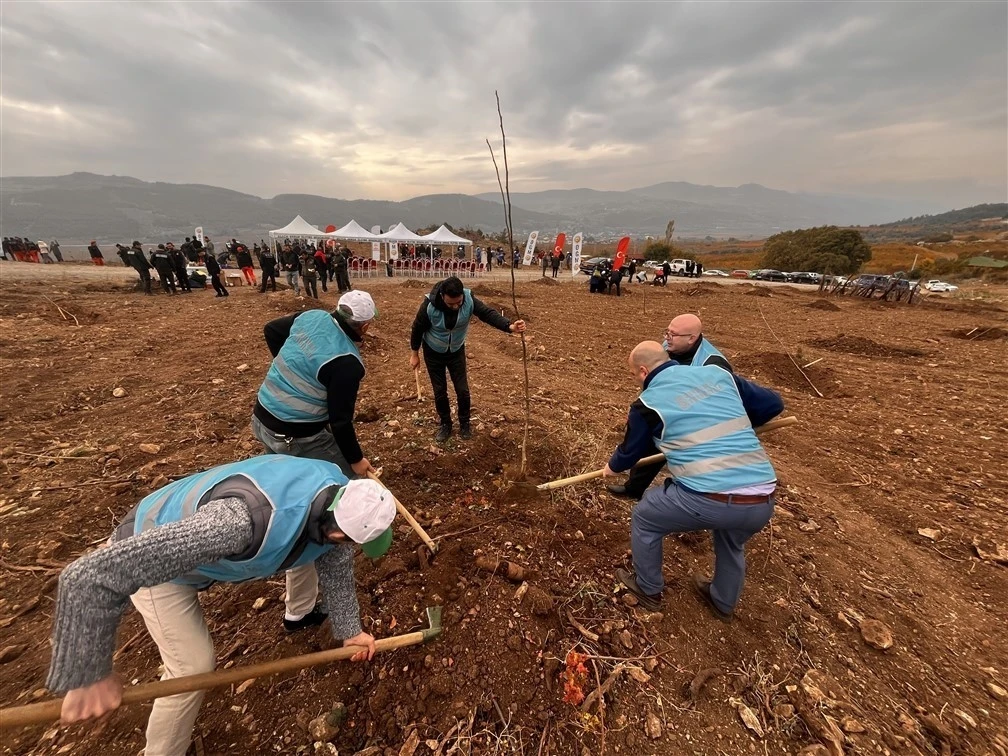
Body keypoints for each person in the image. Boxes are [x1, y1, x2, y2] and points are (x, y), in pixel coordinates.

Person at [45, 454, 395, 756]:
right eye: (352, 541)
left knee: (314, 551)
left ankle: (298, 614)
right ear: (337, 530)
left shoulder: (336, 492)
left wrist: (351, 631)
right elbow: (88, 576)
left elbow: (335, 561)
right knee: (193, 666)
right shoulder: (237, 524)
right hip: (150, 550)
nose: (350, 548)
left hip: (202, 543)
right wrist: (87, 672)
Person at [602, 341, 783, 620]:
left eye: (633, 376)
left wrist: (611, 469)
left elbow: (629, 452)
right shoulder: (718, 374)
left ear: (642, 371)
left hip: (710, 499)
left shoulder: (648, 403)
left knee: (645, 517)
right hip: (762, 498)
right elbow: (773, 403)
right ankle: (723, 602)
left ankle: (647, 588)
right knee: (731, 541)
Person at [252, 291, 378, 632]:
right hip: (297, 437)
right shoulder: (348, 363)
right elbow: (339, 423)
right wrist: (357, 461)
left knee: (295, 499)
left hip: (264, 419)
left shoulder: (311, 317)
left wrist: (295, 372)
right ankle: (350, 534)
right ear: (364, 326)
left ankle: (298, 609)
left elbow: (271, 331)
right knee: (340, 495)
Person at [608, 316, 733, 499]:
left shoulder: (712, 363)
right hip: (670, 413)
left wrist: (677, 407)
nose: (667, 338)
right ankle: (634, 488)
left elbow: (719, 398)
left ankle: (693, 499)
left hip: (699, 423)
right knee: (650, 441)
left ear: (691, 338)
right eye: (667, 332)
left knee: (689, 464)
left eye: (673, 334)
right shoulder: (666, 349)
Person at [409, 276, 526, 442]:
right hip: (433, 352)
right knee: (440, 391)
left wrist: (509, 326)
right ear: (442, 296)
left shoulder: (469, 299)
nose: (456, 306)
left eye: (459, 302)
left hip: (456, 350)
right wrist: (414, 353)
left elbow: (487, 314)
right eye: (451, 304)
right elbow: (417, 328)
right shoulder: (429, 306)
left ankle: (464, 424)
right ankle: (445, 424)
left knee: (462, 390)